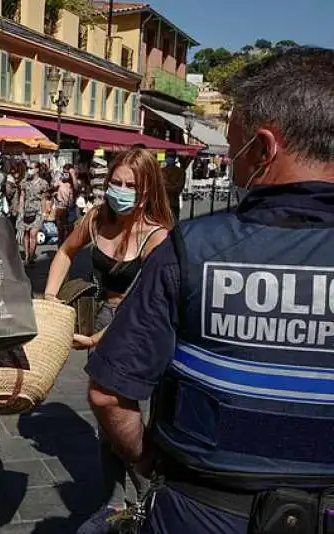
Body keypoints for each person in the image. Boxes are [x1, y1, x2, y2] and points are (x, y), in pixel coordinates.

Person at [85, 47, 334, 534]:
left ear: (264, 148)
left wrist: (151, 465)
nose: (230, 158)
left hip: (201, 511)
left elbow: (109, 394)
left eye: (233, 142)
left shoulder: (192, 248)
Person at [42, 149, 173, 530]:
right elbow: (65, 252)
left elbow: (142, 301)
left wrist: (98, 338)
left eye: (130, 185)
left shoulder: (157, 237)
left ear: (147, 190)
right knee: (104, 416)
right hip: (102, 314)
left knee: (123, 413)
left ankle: (148, 495)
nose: (120, 190)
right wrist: (50, 299)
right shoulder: (98, 218)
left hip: (138, 325)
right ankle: (115, 501)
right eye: (115, 182)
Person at [18, 161, 50, 264]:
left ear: (37, 169)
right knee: (26, 234)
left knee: (33, 233)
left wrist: (44, 212)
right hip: (26, 211)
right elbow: (22, 196)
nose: (29, 170)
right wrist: (20, 209)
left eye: (31, 168)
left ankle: (31, 256)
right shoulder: (24, 182)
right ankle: (27, 255)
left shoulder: (43, 183)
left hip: (37, 211)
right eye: (28, 168)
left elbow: (44, 199)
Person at [53, 168, 78, 245]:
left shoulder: (73, 184)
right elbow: (54, 186)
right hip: (60, 209)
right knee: (61, 231)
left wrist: (73, 175)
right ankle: (61, 248)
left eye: (67, 173)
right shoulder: (61, 183)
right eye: (64, 173)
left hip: (71, 210)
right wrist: (59, 177)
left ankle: (68, 247)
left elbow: (76, 188)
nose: (65, 174)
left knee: (69, 231)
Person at [161, 150, 186, 223]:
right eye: (168, 156)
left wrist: (166, 187)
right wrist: (171, 186)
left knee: (174, 227)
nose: (169, 158)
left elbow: (178, 188)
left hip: (172, 203)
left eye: (171, 156)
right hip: (164, 204)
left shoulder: (180, 172)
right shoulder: (161, 171)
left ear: (175, 158)